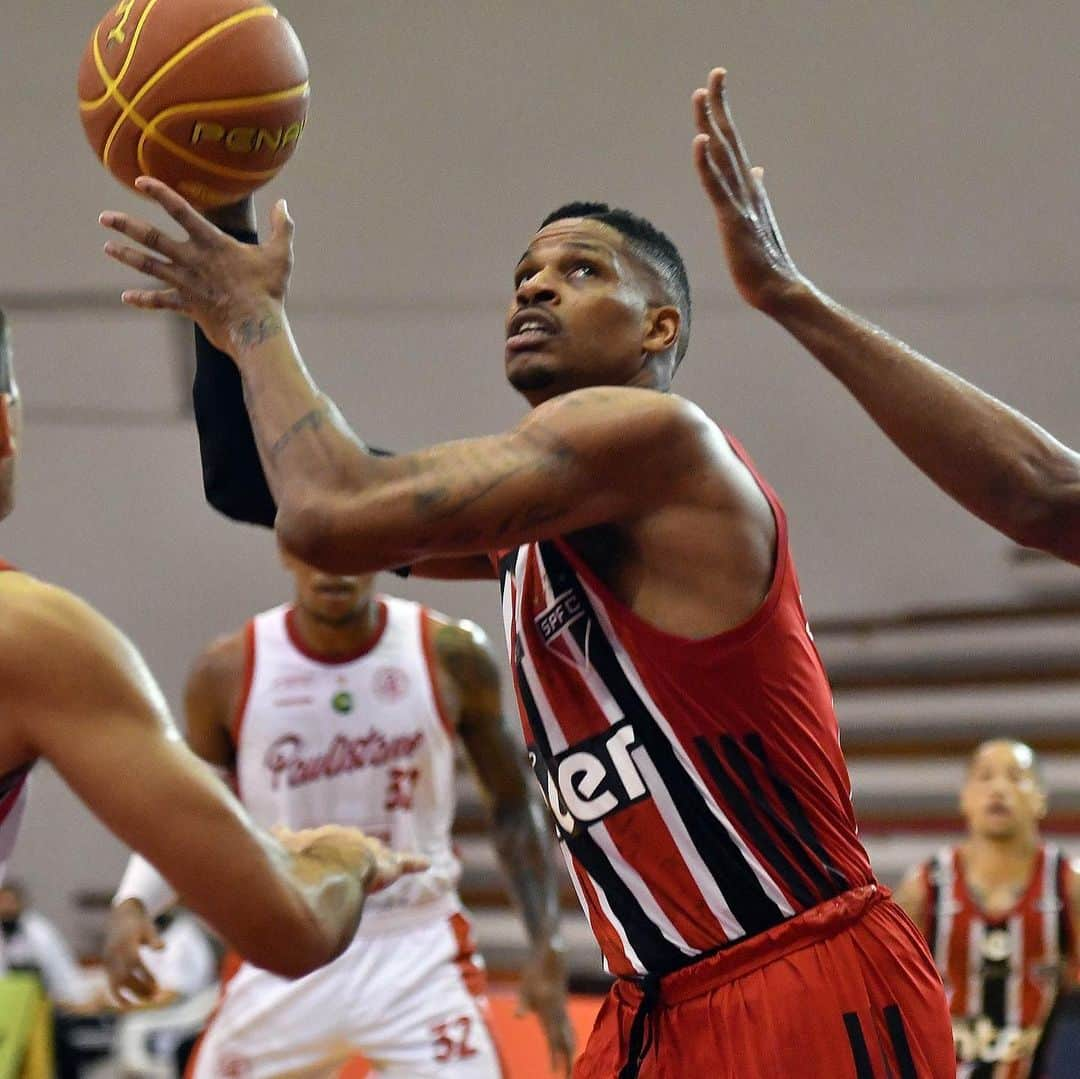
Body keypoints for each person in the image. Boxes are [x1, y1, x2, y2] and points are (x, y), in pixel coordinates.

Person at [97, 67, 955, 1078]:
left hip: (797, 974)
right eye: (523, 276)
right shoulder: (534, 525)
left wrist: (254, 318)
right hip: (653, 1001)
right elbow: (262, 491)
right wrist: (219, 207)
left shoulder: (656, 437)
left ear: (658, 328)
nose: (536, 287)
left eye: (581, 271)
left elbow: (330, 514)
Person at [0, 307, 426, 985]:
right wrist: (349, 857)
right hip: (315, 914)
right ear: (6, 425)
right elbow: (289, 926)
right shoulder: (35, 637)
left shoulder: (443, 648)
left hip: (418, 940)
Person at [105, 552, 573, 1077]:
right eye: (315, 552)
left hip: (415, 945)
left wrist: (545, 941)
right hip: (289, 935)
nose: (334, 569)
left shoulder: (449, 653)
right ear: (284, 549)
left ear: (383, 549)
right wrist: (134, 901)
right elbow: (187, 808)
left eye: (351, 549)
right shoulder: (228, 669)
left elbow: (513, 804)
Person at [895, 741, 1079, 1077]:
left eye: (1015, 777)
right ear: (964, 798)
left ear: (1041, 798)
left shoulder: (1069, 886)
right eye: (985, 777)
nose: (998, 788)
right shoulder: (924, 888)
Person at [0, 880, 99, 1010]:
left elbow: (61, 969)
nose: (7, 908)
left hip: (41, 1003)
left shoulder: (39, 931)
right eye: (3, 903)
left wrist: (75, 999)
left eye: (11, 903)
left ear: (21, 904)